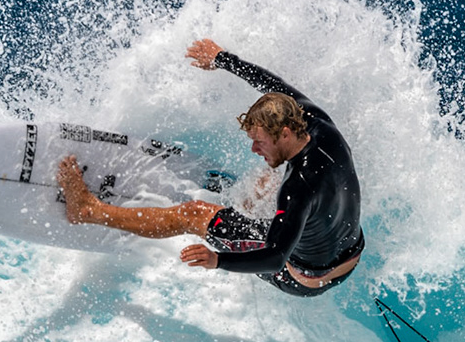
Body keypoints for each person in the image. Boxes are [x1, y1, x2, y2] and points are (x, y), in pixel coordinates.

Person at [57, 39, 364, 297]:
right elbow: (274, 85)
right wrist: (221, 58)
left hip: (300, 277)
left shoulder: (297, 189)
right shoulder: (318, 123)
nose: (254, 149)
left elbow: (275, 257)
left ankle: (88, 211)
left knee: (194, 213)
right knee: (265, 178)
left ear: (284, 132)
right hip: (349, 256)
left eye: (260, 142)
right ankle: (244, 209)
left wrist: (218, 260)